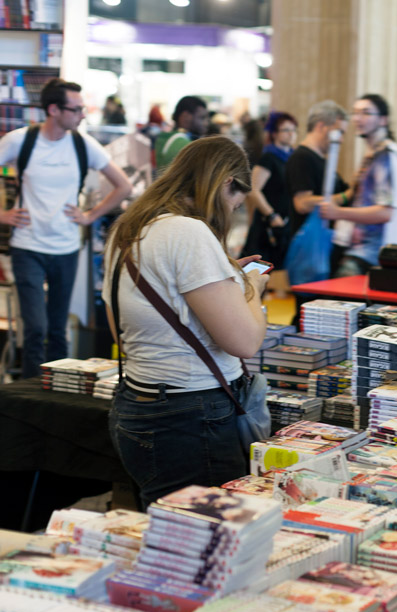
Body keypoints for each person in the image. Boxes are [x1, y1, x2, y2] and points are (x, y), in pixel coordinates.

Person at [102, 136, 267, 508]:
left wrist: (221, 277)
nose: (230, 213)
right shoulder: (188, 232)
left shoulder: (128, 228)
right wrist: (251, 288)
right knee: (204, 530)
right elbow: (245, 342)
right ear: (226, 183)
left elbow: (122, 333)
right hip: (191, 415)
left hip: (137, 405)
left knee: (166, 525)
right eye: (235, 203)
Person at [0, 78, 132, 379]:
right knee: (36, 328)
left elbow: (123, 186)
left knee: (58, 329)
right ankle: (31, 394)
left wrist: (90, 215)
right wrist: (2, 215)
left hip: (66, 248)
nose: (82, 115)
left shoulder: (83, 144)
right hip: (27, 246)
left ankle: (56, 392)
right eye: (76, 109)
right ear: (53, 110)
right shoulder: (21, 140)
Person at [319, 94, 397, 277]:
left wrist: (338, 212)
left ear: (383, 120)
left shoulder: (386, 156)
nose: (358, 119)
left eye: (366, 113)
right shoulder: (373, 154)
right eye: (356, 113)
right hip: (359, 249)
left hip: (373, 253)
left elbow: (385, 212)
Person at [284, 100, 349, 275]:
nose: (341, 139)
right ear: (321, 126)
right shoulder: (302, 158)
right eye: (339, 132)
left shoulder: (321, 160)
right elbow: (302, 203)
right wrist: (344, 197)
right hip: (311, 249)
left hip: (322, 247)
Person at [243, 111, 297, 268]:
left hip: (285, 221)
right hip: (268, 224)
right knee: (259, 266)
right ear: (274, 133)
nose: (291, 134)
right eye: (286, 130)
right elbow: (253, 189)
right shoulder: (269, 157)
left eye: (293, 130)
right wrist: (271, 215)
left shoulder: (292, 157)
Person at [154, 95, 208, 174]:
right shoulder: (184, 145)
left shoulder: (167, 136)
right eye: (202, 118)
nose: (206, 123)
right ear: (185, 117)